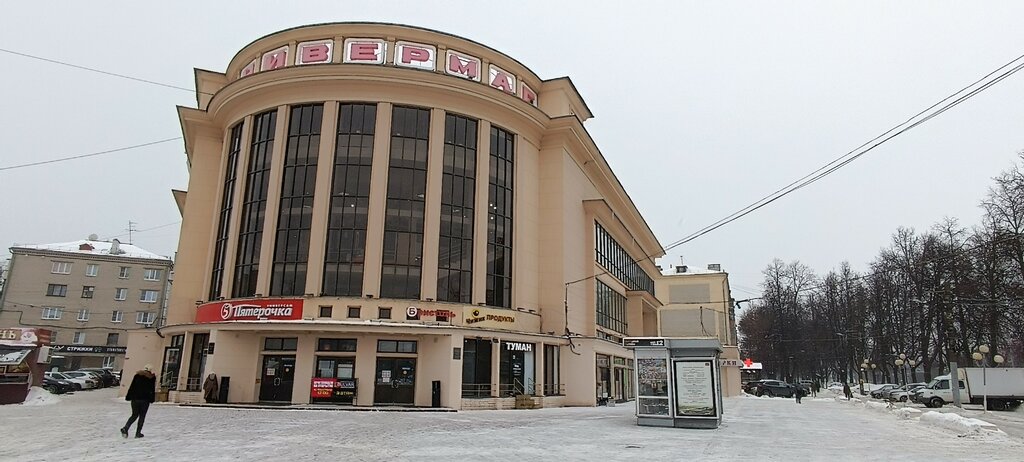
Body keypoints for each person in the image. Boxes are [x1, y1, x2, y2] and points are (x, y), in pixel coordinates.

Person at [120, 364, 156, 438]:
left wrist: (128, 396)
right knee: (142, 416)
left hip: (135, 399)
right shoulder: (151, 377)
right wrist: (152, 399)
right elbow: (152, 389)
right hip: (145, 399)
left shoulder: (137, 376)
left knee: (134, 415)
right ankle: (138, 433)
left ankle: (126, 428)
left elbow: (132, 386)